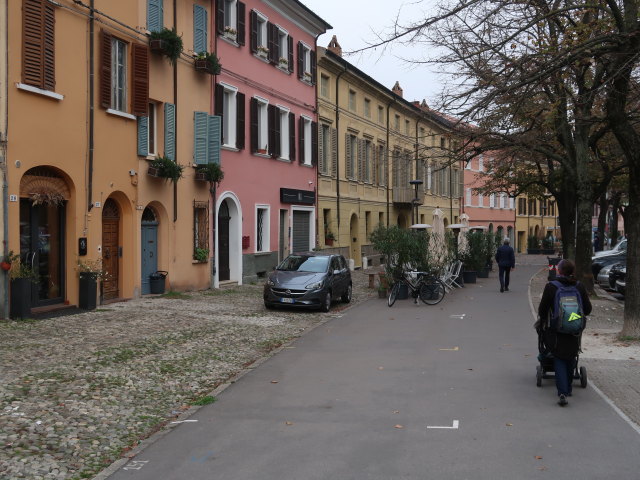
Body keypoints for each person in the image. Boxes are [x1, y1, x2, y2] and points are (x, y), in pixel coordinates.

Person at [536, 259, 592, 406]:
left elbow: (542, 310)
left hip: (556, 330)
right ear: (572, 271)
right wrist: (575, 317)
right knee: (571, 354)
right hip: (575, 329)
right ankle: (568, 388)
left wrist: (544, 321)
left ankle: (563, 392)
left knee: (559, 357)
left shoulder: (551, 287)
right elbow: (588, 309)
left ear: (559, 271)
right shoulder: (579, 286)